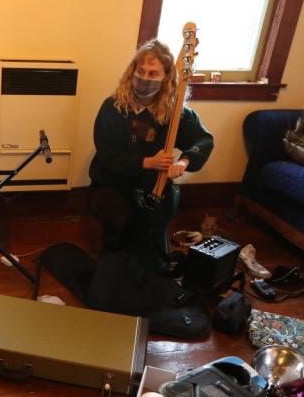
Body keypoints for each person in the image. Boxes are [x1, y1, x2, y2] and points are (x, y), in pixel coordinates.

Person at [89, 39, 214, 273]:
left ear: (166, 77)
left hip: (152, 186)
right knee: (116, 216)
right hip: (112, 183)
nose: (145, 77)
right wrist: (147, 162)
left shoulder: (176, 113)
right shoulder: (113, 107)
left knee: (160, 214)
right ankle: (112, 261)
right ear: (133, 71)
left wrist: (184, 160)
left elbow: (203, 139)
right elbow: (107, 152)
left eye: (153, 73)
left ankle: (149, 260)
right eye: (141, 71)